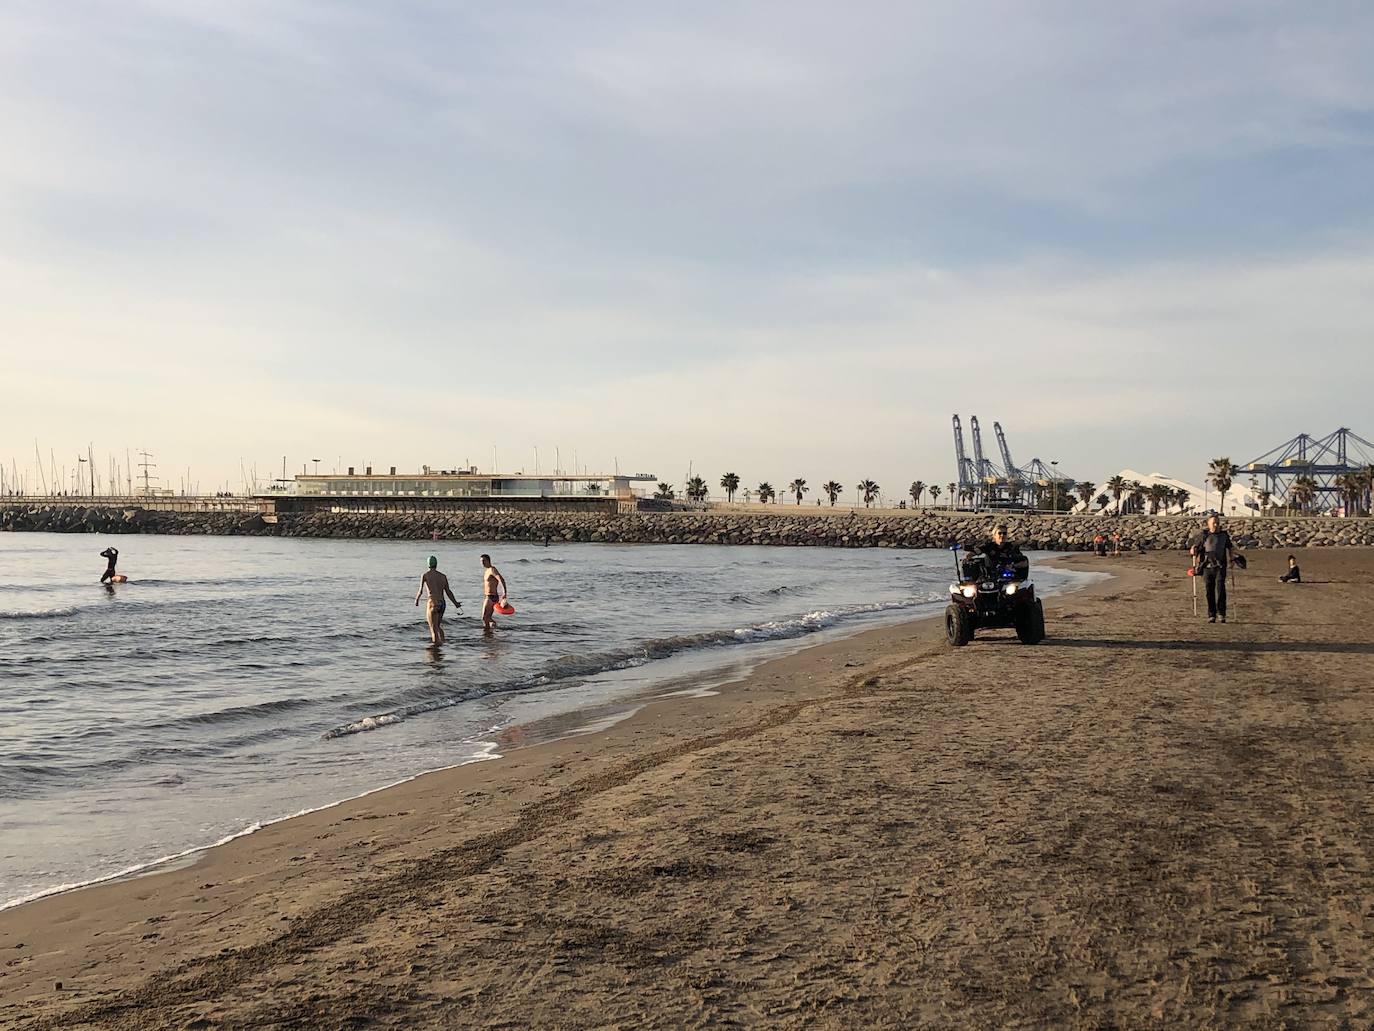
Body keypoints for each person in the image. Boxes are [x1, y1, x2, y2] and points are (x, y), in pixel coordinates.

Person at [1190, 514, 1235, 622]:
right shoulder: (1204, 535)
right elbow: (1195, 547)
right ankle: (1211, 614)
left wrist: (1232, 559)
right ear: (1209, 524)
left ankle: (1221, 613)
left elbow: (1230, 547)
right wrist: (1193, 550)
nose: (1216, 525)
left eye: (1217, 523)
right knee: (1209, 591)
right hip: (1206, 566)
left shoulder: (1224, 535)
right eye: (1214, 523)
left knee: (1220, 589)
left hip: (1220, 566)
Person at [414, 555, 460, 645]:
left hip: (432, 602)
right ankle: (443, 643)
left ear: (428, 564)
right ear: (436, 564)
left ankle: (435, 650)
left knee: (433, 628)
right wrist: (455, 603)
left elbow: (420, 590)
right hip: (442, 603)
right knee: (438, 627)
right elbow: (448, 591)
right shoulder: (443, 576)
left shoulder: (425, 575)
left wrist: (416, 600)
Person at [480, 553, 508, 631]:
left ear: (488, 561)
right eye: (481, 561)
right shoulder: (487, 571)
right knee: (487, 617)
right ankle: (491, 630)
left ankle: (488, 632)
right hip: (489, 596)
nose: (482, 563)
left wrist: (504, 592)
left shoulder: (492, 569)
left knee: (484, 617)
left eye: (484, 561)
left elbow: (501, 579)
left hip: (491, 596)